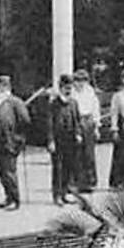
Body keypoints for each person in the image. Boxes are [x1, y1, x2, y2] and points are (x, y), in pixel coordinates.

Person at [0, 75, 31, 210]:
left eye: (3, 86)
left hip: (10, 142)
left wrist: (18, 139)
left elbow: (25, 121)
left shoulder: (16, 102)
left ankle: (15, 200)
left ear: (8, 87)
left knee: (9, 172)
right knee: (2, 172)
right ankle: (8, 197)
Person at [48, 74, 84, 204]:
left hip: (70, 140)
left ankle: (64, 193)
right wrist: (51, 140)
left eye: (70, 88)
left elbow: (77, 120)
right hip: (58, 140)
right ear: (60, 88)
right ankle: (56, 195)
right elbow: (49, 124)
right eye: (65, 88)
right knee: (57, 168)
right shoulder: (53, 104)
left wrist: (78, 133)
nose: (68, 90)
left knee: (68, 167)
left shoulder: (73, 103)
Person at [71, 68, 101, 193]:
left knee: (89, 154)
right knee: (76, 153)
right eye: (77, 80)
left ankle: (90, 182)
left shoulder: (90, 92)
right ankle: (75, 182)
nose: (80, 83)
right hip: (76, 122)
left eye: (83, 80)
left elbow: (95, 109)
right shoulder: (71, 93)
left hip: (88, 122)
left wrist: (97, 128)